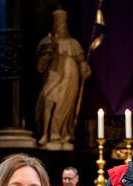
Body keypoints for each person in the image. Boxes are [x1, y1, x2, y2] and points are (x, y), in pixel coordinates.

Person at [35, 9, 91, 148]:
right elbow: (40, 66)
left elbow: (81, 61)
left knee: (64, 105)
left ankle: (58, 134)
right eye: (58, 22)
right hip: (54, 75)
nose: (60, 25)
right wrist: (47, 55)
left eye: (63, 23)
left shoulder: (73, 43)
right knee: (47, 100)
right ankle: (44, 133)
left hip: (70, 77)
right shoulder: (47, 41)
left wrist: (84, 68)